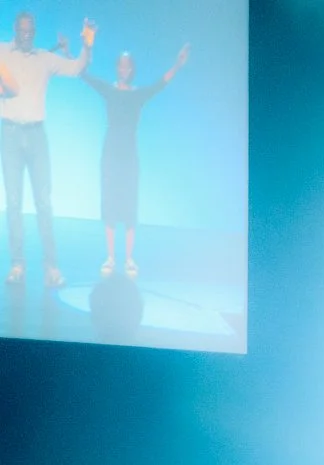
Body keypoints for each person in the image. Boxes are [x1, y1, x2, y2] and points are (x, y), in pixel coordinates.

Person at [0, 13, 93, 288]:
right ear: (15, 30)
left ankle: (51, 266)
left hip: (37, 136)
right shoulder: (2, 51)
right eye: (22, 30)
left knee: (43, 202)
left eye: (31, 30)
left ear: (35, 32)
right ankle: (17, 264)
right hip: (10, 134)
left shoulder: (45, 58)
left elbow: (76, 68)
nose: (26, 34)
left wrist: (87, 45)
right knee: (13, 203)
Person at [81, 42, 187, 278]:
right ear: (117, 68)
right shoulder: (109, 90)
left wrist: (177, 65)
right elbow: (86, 77)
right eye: (121, 65)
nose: (124, 69)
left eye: (127, 66)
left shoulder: (138, 94)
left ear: (132, 69)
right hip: (110, 153)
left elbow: (160, 84)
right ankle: (110, 257)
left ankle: (129, 258)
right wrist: (74, 53)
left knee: (129, 204)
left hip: (129, 154)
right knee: (109, 203)